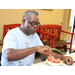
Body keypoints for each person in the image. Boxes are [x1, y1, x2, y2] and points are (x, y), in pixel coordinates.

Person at [1, 10, 73, 66]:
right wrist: (36, 48)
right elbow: (9, 55)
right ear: (23, 21)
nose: (35, 26)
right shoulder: (12, 34)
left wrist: (62, 57)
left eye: (37, 23)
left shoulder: (34, 35)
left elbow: (45, 53)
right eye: (32, 23)